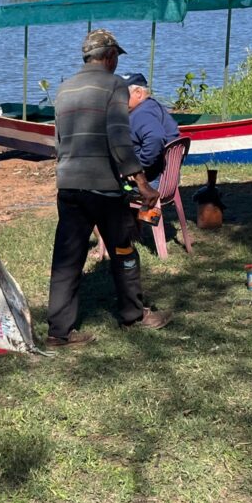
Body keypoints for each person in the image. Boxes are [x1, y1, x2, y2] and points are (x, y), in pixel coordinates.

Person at [46, 30, 172, 348]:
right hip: (103, 186)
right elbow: (119, 138)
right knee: (124, 248)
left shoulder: (64, 89)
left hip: (69, 185)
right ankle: (133, 314)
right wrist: (142, 184)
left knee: (67, 257)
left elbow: (59, 142)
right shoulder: (113, 84)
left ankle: (58, 332)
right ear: (111, 56)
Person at [121, 72, 180, 186]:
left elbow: (155, 137)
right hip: (167, 178)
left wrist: (139, 167)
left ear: (138, 93)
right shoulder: (152, 106)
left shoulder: (142, 113)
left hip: (150, 180)